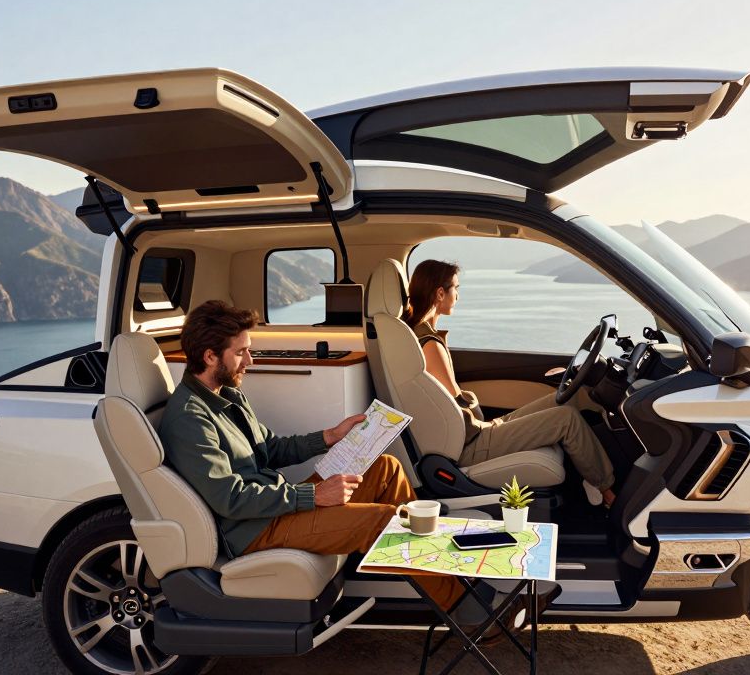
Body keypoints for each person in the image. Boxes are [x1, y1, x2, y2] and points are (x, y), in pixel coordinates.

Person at [157, 300, 556, 637]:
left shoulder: (226, 395)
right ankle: (471, 615)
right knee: (384, 521)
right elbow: (229, 499)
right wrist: (315, 495)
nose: (251, 359)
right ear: (210, 356)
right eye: (241, 352)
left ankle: (439, 578)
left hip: (276, 507)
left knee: (384, 468)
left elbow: (270, 448)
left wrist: (330, 436)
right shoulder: (190, 418)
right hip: (255, 529)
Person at [405, 260, 617, 507]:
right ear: (440, 293)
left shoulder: (416, 336)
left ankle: (592, 468)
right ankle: (607, 492)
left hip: (473, 430)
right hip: (470, 443)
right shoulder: (429, 345)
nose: (458, 295)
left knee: (572, 396)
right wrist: (472, 400)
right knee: (566, 419)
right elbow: (455, 400)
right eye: (455, 288)